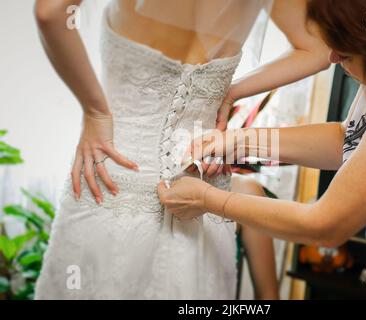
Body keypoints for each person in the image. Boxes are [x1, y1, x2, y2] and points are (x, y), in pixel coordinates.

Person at [33, 0, 329, 299]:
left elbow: (51, 11)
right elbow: (318, 51)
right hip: (202, 196)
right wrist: (233, 90)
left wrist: (95, 111)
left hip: (110, 175)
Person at [158, 0, 366, 299]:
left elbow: (324, 225)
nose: (333, 57)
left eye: (345, 52)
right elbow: (346, 139)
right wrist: (241, 140)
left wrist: (208, 199)